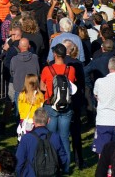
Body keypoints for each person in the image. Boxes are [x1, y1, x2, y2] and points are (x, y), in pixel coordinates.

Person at [39, 43, 76, 173]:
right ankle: (66, 167)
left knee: (51, 136)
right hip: (66, 106)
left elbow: (42, 87)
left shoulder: (47, 70)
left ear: (55, 54)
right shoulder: (70, 69)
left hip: (51, 105)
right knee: (64, 137)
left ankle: (51, 164)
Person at [15, 107, 67, 177]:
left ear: (33, 121)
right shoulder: (55, 137)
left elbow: (19, 162)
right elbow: (63, 159)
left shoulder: (26, 138)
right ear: (48, 120)